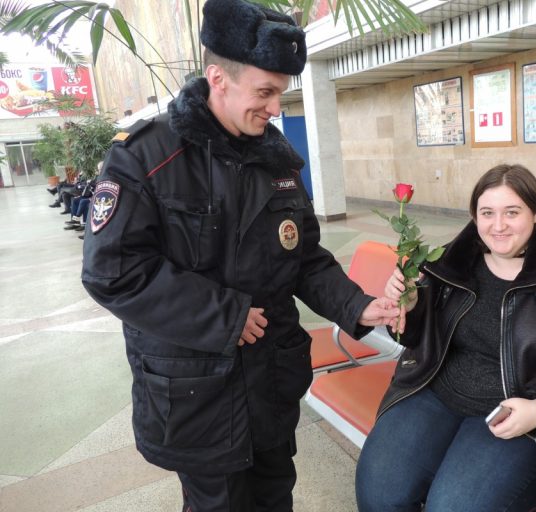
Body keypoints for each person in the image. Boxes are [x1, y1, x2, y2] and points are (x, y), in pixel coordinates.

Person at [80, 1, 400, 510]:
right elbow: (114, 272)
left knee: (275, 497)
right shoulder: (146, 155)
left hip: (271, 380)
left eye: (282, 93)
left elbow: (305, 255)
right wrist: (225, 316)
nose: (276, 108)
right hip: (198, 389)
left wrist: (355, 305)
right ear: (218, 78)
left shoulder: (276, 159)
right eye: (266, 92)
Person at [355, 164, 536, 512]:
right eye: (487, 213)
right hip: (434, 393)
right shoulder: (450, 262)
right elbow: (414, 336)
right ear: (475, 216)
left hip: (515, 414)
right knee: (379, 496)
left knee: (453, 507)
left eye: (512, 212)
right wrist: (410, 307)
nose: (498, 225)